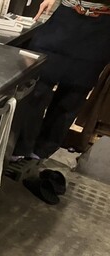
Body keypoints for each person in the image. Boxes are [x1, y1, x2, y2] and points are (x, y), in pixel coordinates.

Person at [13, 0, 110, 160]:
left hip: (101, 28)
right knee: (36, 87)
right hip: (65, 17)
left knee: (72, 97)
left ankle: (41, 152)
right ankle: (19, 147)